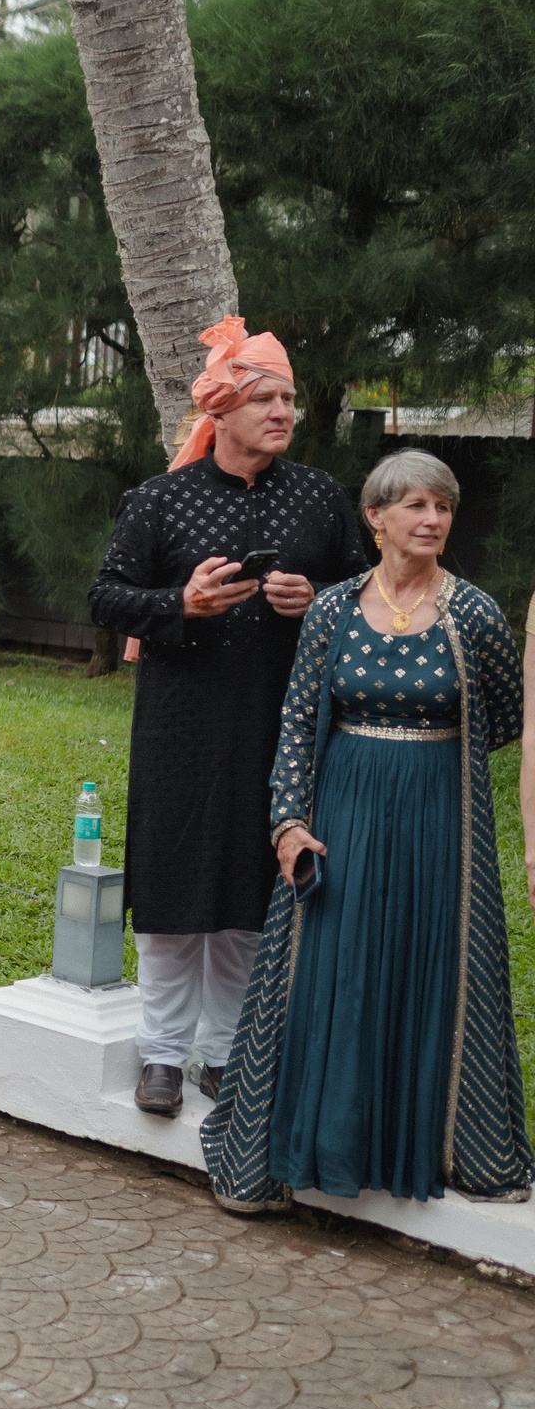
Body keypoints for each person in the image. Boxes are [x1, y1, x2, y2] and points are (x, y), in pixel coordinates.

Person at [204, 452, 532, 1208]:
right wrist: (289, 823)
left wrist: (422, 767)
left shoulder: (474, 613)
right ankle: (306, 1149)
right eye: (416, 505)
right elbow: (294, 721)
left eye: (443, 507)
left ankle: (426, 1146)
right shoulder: (334, 609)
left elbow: (508, 718)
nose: (432, 520)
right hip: (341, 814)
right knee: (331, 975)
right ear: (376, 517)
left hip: (437, 820)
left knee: (426, 970)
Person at [89, 320, 369, 1115]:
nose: (283, 411)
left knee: (252, 885)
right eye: (266, 397)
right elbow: (106, 597)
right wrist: (184, 601)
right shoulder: (160, 499)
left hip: (279, 724)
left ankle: (223, 1052)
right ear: (225, 407)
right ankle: (162, 1054)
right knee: (176, 887)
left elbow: (365, 595)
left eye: (288, 398)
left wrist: (316, 603)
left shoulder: (318, 496)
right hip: (180, 724)